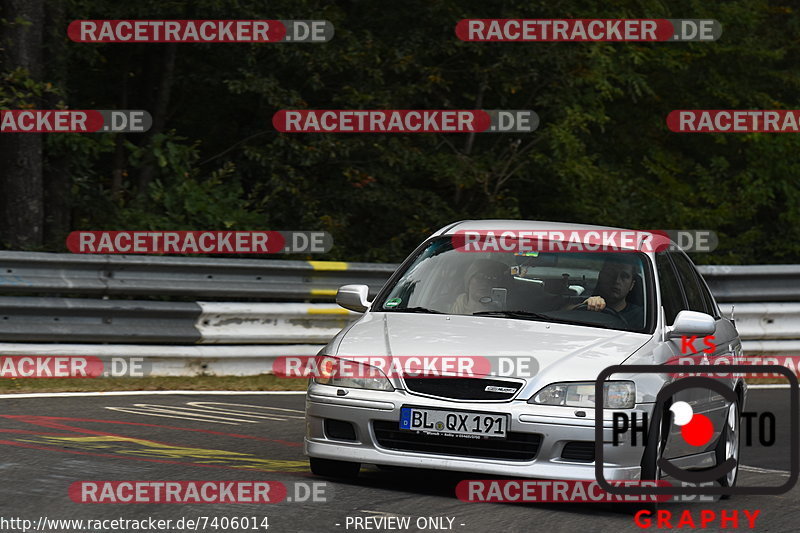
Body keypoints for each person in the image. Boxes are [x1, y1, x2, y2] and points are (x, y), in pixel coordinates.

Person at [575, 256, 644, 328]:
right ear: (601, 276)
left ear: (632, 285)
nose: (617, 280)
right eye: (611, 274)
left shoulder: (643, 319)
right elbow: (564, 312)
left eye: (624, 276)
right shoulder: (584, 303)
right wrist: (584, 305)